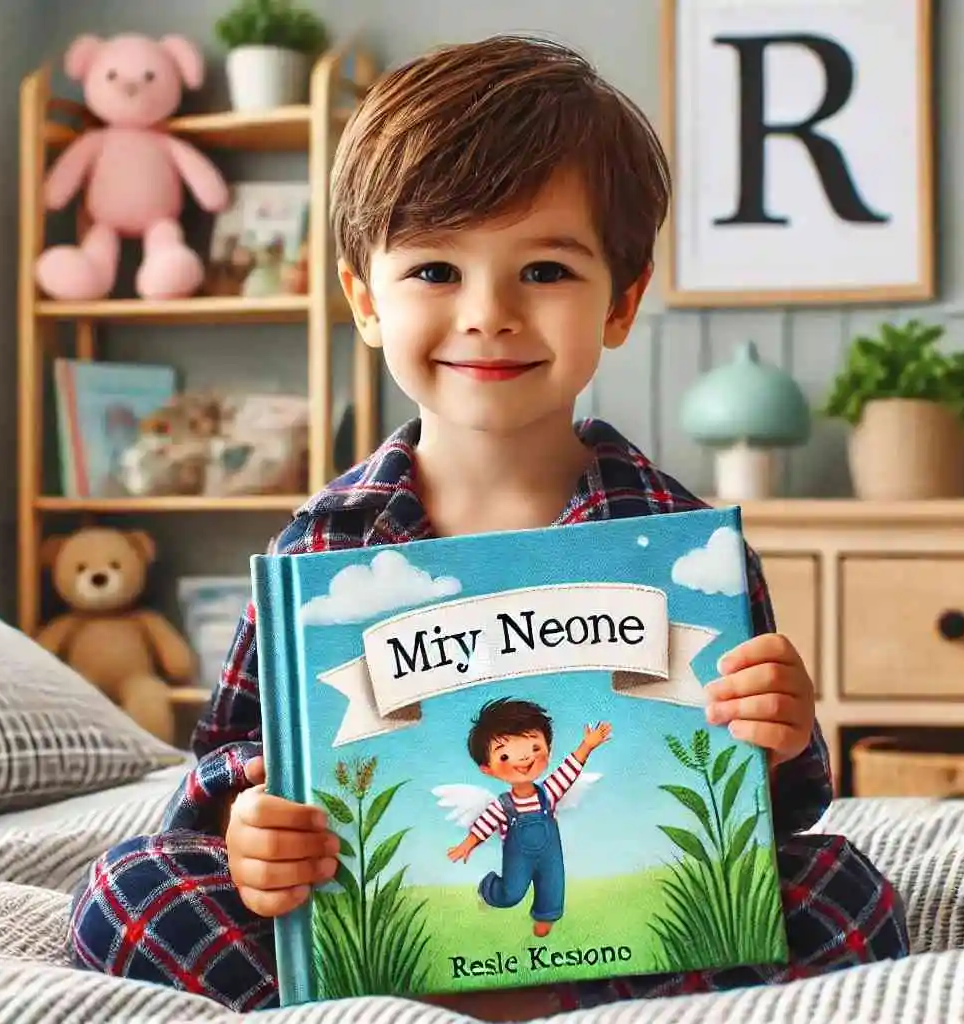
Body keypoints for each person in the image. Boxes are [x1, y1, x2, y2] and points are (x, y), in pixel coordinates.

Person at [67, 34, 909, 1021]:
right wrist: (252, 826)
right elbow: (228, 764)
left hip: (628, 948)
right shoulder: (322, 542)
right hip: (384, 942)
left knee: (845, 890)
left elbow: (773, 810)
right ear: (362, 299)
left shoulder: (684, 543)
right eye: (433, 271)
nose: (489, 314)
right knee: (128, 892)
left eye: (545, 270)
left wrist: (781, 727)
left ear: (621, 301)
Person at [445, 698, 612, 938]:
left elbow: (569, 769)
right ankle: (489, 888)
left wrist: (586, 746)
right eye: (504, 757)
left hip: (549, 855)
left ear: (549, 750)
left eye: (534, 748)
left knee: (553, 886)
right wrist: (468, 844)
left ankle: (546, 917)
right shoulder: (503, 805)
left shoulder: (549, 792)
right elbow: (485, 824)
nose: (524, 759)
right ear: (487, 769)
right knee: (511, 893)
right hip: (518, 859)